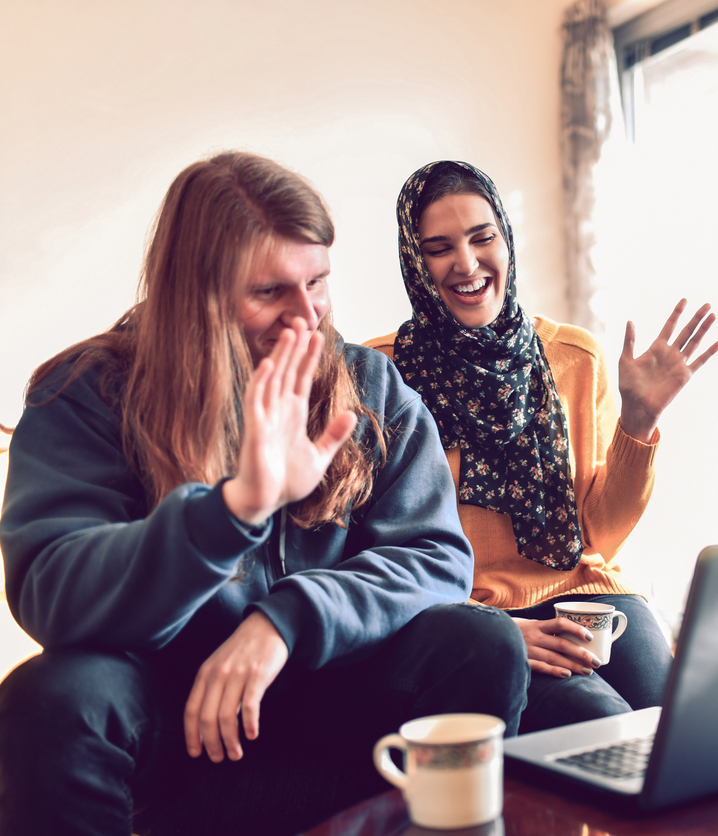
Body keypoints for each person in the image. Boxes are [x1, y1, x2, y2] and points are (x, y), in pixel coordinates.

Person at [0, 152, 529, 836]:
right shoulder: (84, 393)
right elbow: (52, 586)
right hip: (171, 730)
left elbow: (436, 560)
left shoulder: (371, 389)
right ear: (195, 294)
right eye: (269, 292)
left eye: (318, 282)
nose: (307, 317)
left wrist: (285, 621)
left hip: (328, 706)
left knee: (479, 642)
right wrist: (231, 513)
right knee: (51, 697)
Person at [365, 160, 718, 734]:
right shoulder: (383, 375)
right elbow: (383, 548)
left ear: (506, 240)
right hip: (476, 616)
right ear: (413, 259)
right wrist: (487, 629)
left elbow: (598, 535)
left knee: (677, 729)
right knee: (604, 729)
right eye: (439, 247)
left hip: (586, 595)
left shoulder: (575, 358)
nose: (467, 263)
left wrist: (639, 419)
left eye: (484, 238)